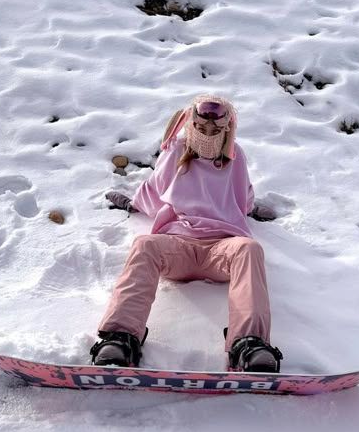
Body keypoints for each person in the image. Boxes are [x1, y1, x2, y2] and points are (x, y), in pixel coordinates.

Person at [90, 94, 283, 372]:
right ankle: (121, 338)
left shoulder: (234, 155)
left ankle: (249, 344)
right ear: (191, 125)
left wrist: (251, 209)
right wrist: (133, 204)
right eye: (202, 128)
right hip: (177, 245)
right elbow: (155, 190)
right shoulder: (176, 150)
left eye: (216, 130)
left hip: (222, 248)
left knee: (248, 248)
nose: (208, 135)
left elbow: (242, 195)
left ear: (226, 129)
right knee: (145, 244)